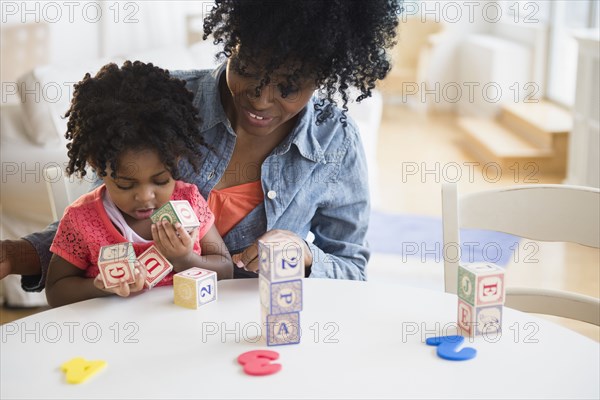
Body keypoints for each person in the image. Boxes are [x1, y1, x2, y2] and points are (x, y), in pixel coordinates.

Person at [0, 0, 402, 292]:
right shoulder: (161, 104)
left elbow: (352, 269)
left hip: (253, 331)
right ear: (233, 42)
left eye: (288, 87)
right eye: (246, 70)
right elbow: (98, 222)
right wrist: (19, 254)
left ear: (323, 78)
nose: (260, 100)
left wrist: (305, 254)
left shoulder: (335, 142)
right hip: (147, 321)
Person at [44, 61, 232, 307]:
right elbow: (56, 291)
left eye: (161, 180)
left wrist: (185, 259)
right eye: (125, 185)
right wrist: (100, 286)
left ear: (176, 160)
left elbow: (226, 269)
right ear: (97, 165)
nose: (145, 197)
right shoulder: (82, 220)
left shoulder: (188, 202)